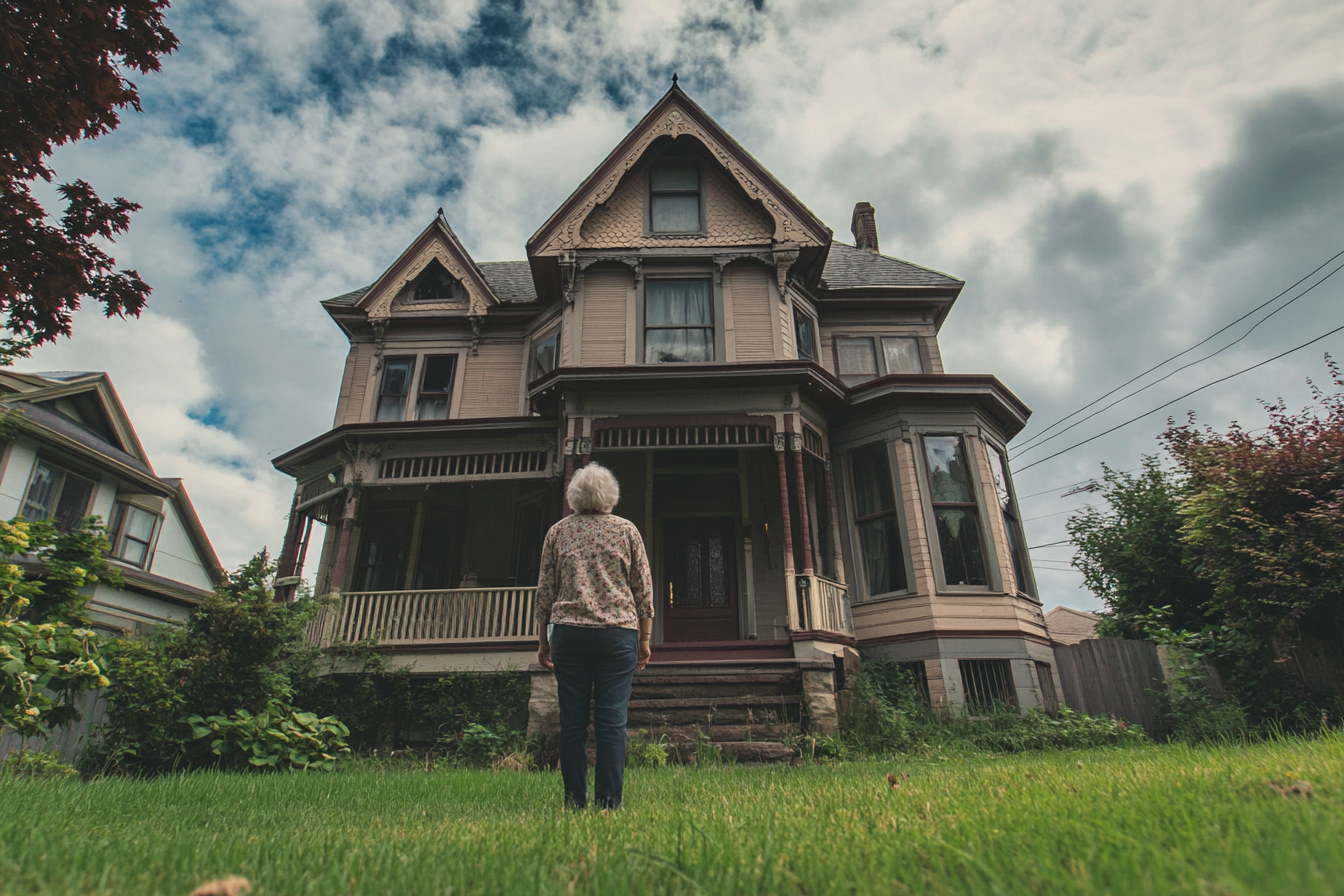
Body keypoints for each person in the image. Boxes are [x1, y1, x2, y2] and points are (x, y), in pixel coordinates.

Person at [535, 462, 654, 810]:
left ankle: (574, 801)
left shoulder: (558, 532)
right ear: (610, 496)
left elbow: (545, 590)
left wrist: (543, 640)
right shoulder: (626, 530)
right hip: (617, 636)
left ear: (575, 496)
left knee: (572, 722)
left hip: (569, 635)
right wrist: (645, 639)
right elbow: (642, 588)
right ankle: (608, 804)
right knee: (612, 722)